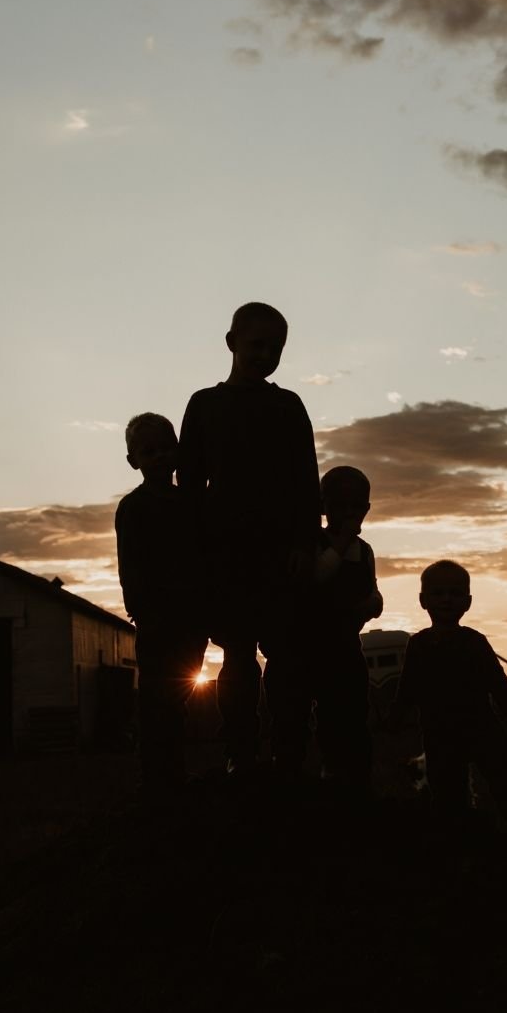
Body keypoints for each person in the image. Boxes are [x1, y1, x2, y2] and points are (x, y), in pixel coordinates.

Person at [177, 302, 320, 778]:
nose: (265, 354)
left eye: (275, 348)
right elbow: (191, 484)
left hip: (282, 554)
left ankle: (288, 751)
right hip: (227, 554)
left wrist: (304, 544)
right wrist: (198, 551)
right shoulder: (204, 405)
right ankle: (240, 751)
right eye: (257, 344)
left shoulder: (288, 406)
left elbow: (307, 481)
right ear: (231, 342)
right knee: (237, 657)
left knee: (286, 657)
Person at [393, 559, 507, 823]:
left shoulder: (474, 641)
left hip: (481, 726)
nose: (446, 600)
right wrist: (395, 718)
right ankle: (458, 836)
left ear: (467, 602)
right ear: (423, 600)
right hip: (438, 731)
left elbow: (497, 682)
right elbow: (407, 686)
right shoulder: (418, 644)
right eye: (439, 593)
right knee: (446, 791)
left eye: (455, 593)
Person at [115, 412, 207, 795]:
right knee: (156, 699)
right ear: (133, 460)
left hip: (192, 617)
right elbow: (129, 564)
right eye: (148, 451)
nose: (159, 457)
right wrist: (140, 609)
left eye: (166, 448)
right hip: (156, 620)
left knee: (179, 698)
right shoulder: (133, 507)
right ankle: (156, 777)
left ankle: (174, 774)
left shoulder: (191, 501)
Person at [301, 464, 383, 794]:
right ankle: (332, 768)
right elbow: (317, 578)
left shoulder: (364, 551)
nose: (349, 514)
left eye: (356, 507)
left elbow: (372, 587)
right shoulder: (317, 544)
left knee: (356, 707)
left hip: (350, 644)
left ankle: (359, 770)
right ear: (324, 508)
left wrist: (374, 602)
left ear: (365, 509)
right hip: (320, 645)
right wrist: (340, 544)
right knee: (331, 710)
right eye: (340, 506)